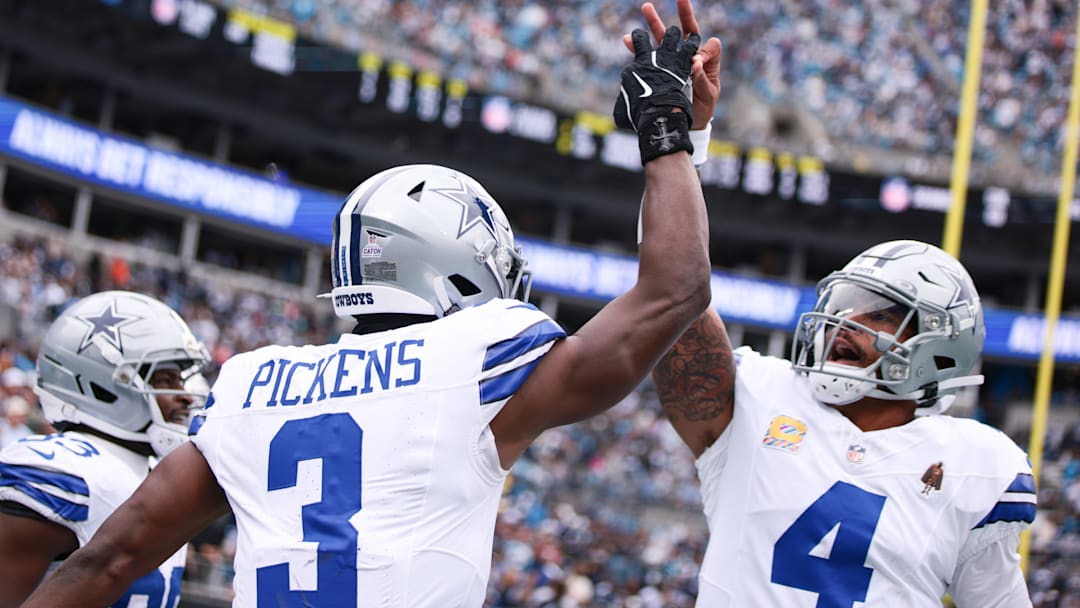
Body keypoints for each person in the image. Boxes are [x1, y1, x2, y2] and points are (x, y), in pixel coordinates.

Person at [22, 4, 718, 605]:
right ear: (458, 261)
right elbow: (676, 288)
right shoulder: (481, 354)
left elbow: (105, 562)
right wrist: (669, 131)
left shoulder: (252, 382)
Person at [652, 239, 1036, 606]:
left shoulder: (974, 465)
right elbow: (676, 293)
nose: (846, 321)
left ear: (937, 349)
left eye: (881, 314)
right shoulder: (759, 394)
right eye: (844, 306)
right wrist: (673, 169)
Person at [0, 290, 210, 608]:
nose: (183, 395)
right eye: (165, 378)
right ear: (98, 382)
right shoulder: (62, 471)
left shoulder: (156, 473)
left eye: (180, 380)